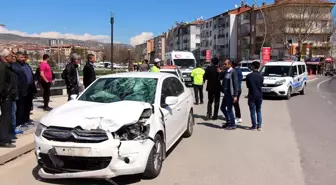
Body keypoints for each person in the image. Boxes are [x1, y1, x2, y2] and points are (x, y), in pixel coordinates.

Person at [11, 52, 37, 126]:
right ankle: (19, 122)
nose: (23, 59)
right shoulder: (14, 66)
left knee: (28, 105)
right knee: (20, 107)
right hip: (21, 89)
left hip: (29, 88)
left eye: (24, 57)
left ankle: (26, 119)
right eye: (21, 57)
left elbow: (31, 74)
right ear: (17, 57)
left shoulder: (26, 65)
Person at [0, 49, 17, 148]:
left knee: (8, 118)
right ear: (5, 57)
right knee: (5, 119)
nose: (13, 57)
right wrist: (3, 95)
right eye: (11, 56)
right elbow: (1, 84)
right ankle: (3, 140)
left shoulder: (7, 66)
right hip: (5, 97)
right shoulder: (2, 67)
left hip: (9, 96)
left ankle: (6, 137)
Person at [219, 59, 239, 130]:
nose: (224, 65)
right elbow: (220, 78)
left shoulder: (233, 72)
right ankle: (228, 121)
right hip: (226, 94)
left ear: (230, 64)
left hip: (230, 94)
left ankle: (232, 124)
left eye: (225, 64)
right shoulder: (226, 72)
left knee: (230, 109)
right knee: (222, 107)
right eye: (224, 64)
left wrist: (235, 95)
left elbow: (236, 84)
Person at [246, 61, 264, 131]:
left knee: (252, 111)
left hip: (252, 95)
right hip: (259, 95)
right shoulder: (261, 76)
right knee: (259, 110)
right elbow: (261, 84)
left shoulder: (249, 76)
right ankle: (259, 125)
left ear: (253, 66)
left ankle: (254, 125)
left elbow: (248, 86)